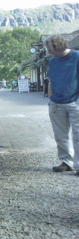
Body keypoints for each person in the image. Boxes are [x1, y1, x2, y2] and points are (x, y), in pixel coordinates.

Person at [45, 35, 79, 174]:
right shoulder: (53, 61)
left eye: (49, 48)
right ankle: (66, 162)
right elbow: (51, 79)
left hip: (75, 101)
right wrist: (51, 96)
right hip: (56, 103)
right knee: (61, 135)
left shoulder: (76, 57)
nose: (48, 52)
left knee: (78, 135)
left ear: (58, 45)